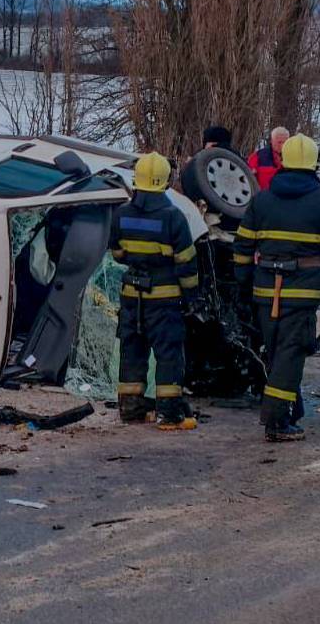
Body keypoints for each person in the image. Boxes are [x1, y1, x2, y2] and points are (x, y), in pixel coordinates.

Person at [233, 134, 320, 442]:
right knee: (290, 354)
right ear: (314, 164)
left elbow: (243, 247)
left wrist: (245, 286)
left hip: (265, 290)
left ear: (282, 161)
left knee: (276, 354)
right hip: (302, 294)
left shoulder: (261, 200)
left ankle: (289, 408)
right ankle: (276, 419)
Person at [110, 152, 200, 431]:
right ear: (164, 181)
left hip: (131, 296)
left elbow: (117, 253)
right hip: (163, 298)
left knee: (132, 350)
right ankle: (168, 414)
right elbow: (186, 263)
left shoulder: (121, 213)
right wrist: (192, 298)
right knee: (168, 354)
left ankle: (131, 409)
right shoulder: (173, 217)